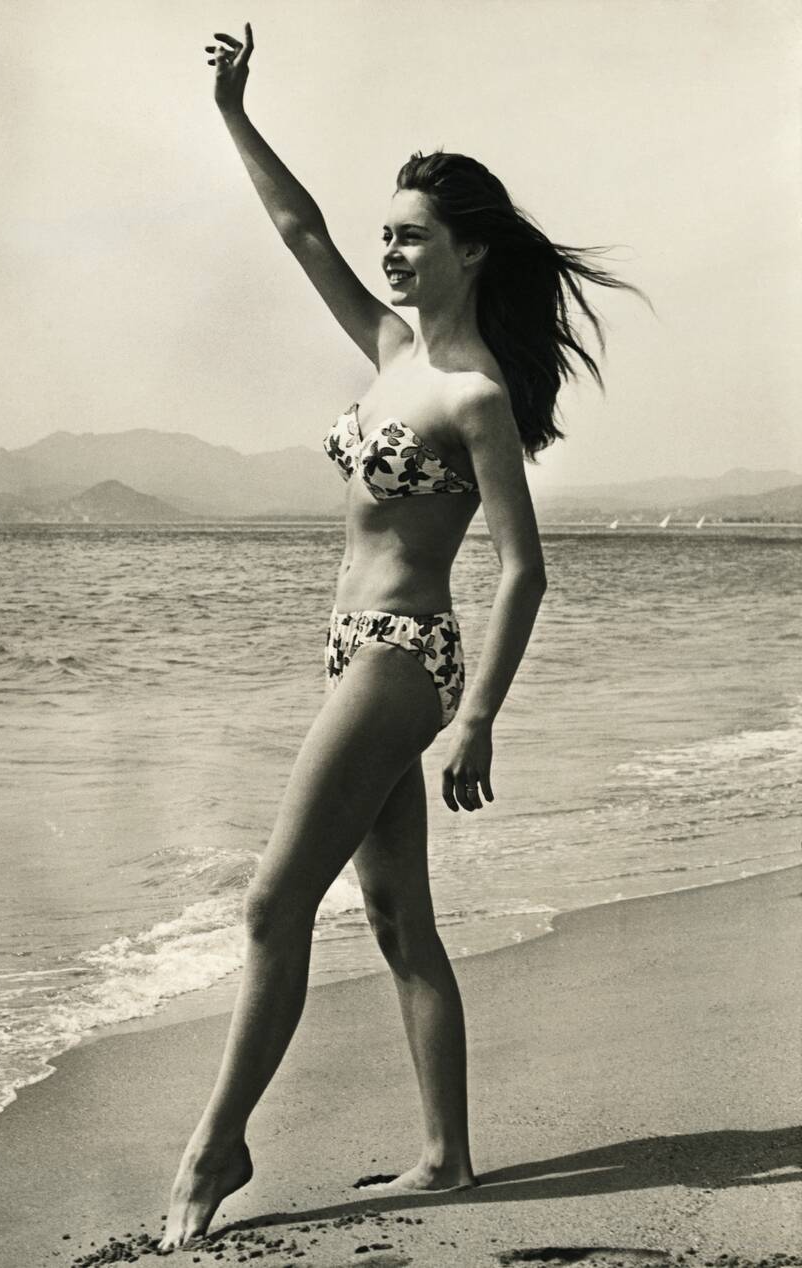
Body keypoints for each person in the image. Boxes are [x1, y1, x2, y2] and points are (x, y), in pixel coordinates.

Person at [160, 22, 645, 1249]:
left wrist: (476, 713)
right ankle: (448, 1157)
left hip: (401, 656)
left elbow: (524, 568)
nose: (387, 248)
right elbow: (301, 232)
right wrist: (233, 112)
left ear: (468, 251)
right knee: (397, 922)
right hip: (348, 645)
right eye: (390, 232)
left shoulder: (473, 395)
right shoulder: (386, 350)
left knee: (272, 908)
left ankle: (217, 1145)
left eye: (412, 233)